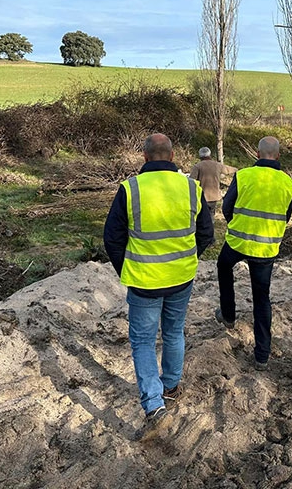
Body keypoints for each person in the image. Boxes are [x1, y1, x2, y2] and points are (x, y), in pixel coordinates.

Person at [103, 133, 214, 440]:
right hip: (181, 277)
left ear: (145, 157)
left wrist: (126, 267)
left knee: (142, 341)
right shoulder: (191, 188)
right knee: (174, 331)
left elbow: (111, 238)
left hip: (144, 282)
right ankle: (171, 386)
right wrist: (187, 260)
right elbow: (206, 233)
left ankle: (154, 406)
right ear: (173, 154)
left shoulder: (131, 189)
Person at [214, 136, 292, 371]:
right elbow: (286, 215)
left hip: (238, 242)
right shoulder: (288, 183)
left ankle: (228, 315)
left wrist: (238, 225)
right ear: (277, 156)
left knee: (223, 266)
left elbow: (227, 207)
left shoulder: (244, 175)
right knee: (262, 299)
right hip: (266, 248)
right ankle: (262, 355)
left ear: (257, 154)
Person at [189, 147, 237, 217]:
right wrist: (239, 170)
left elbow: (191, 181)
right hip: (214, 197)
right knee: (211, 216)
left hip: (202, 197)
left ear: (200, 156)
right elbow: (228, 169)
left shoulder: (197, 167)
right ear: (209, 155)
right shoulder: (217, 165)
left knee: (201, 217)